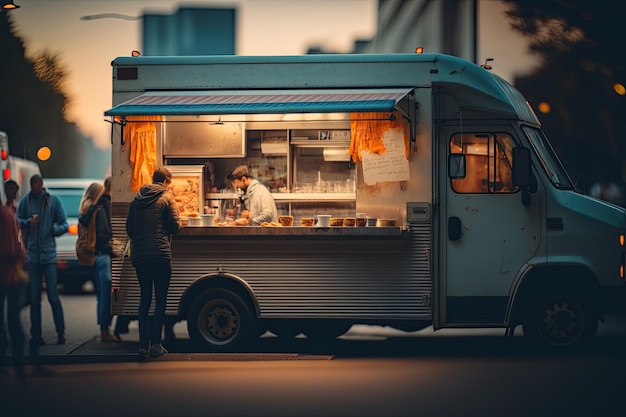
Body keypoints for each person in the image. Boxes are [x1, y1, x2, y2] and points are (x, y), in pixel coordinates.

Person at [126, 167, 181, 358]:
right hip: (159, 255)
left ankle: (143, 346)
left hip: (140, 258)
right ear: (166, 180)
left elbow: (129, 229)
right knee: (160, 301)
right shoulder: (167, 198)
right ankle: (156, 344)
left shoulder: (137, 199)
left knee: (144, 300)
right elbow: (175, 225)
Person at [16, 174, 68, 348]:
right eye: (33, 186)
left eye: (37, 185)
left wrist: (53, 229)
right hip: (33, 256)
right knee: (34, 298)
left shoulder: (53, 201)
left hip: (48, 255)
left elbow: (64, 224)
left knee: (53, 296)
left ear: (41, 184)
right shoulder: (26, 201)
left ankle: (61, 332)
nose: (35, 188)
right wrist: (28, 222)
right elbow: (18, 219)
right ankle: (36, 335)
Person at [78, 180, 120, 343]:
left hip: (92, 256)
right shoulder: (100, 210)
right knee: (106, 296)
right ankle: (104, 331)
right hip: (103, 256)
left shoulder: (85, 210)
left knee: (100, 296)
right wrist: (114, 249)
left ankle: (104, 330)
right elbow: (103, 235)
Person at [0, 203, 27, 382]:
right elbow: (16, 247)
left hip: (4, 273)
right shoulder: (8, 213)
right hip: (12, 274)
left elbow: (8, 248)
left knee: (5, 319)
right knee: (13, 317)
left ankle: (8, 360)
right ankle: (18, 363)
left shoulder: (3, 215)